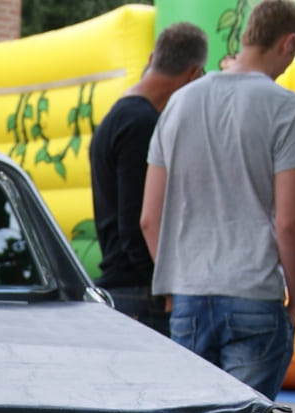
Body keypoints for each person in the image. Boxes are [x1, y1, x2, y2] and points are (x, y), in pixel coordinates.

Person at [140, 0, 295, 400]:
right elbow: (288, 221)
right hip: (254, 294)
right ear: (287, 43)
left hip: (188, 294)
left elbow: (150, 218)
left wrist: (173, 281)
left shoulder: (179, 103)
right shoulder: (287, 108)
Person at [88, 22, 207, 335]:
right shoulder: (142, 125)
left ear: (154, 57)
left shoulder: (116, 117)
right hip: (140, 292)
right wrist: (163, 285)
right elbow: (139, 221)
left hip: (124, 286)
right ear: (194, 75)